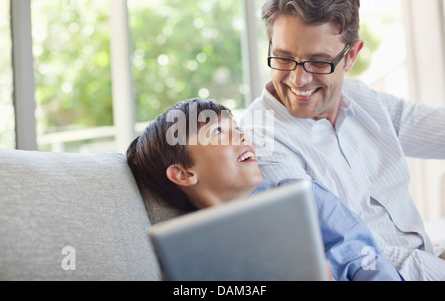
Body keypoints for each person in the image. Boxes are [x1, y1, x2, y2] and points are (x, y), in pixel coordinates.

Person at [241, 0, 445, 280]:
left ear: (351, 56)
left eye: (319, 62)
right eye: (284, 57)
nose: (299, 80)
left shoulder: (364, 99)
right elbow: (344, 250)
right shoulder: (259, 141)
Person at [126, 98, 403, 281]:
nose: (242, 135)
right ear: (184, 173)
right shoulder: (191, 252)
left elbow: (365, 256)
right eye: (219, 132)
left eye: (236, 127)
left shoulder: (302, 196)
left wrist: (329, 270)